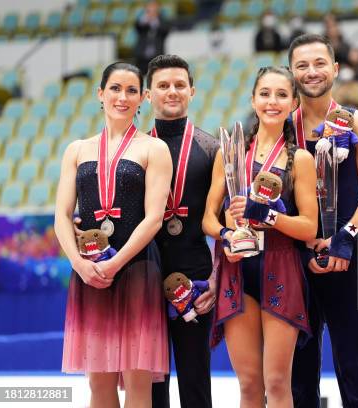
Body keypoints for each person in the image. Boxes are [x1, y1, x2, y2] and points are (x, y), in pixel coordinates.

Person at [55, 62, 172, 407]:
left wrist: (116, 263)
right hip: (91, 273)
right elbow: (61, 214)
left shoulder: (154, 149)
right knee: (99, 385)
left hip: (136, 269)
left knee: (138, 384)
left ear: (144, 98)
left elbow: (154, 218)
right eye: (115, 89)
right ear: (100, 94)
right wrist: (78, 264)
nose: (123, 97)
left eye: (132, 90)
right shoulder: (76, 150)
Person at [203, 66, 318, 407]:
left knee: (278, 381)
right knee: (250, 384)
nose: (272, 101)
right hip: (237, 268)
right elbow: (207, 218)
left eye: (282, 95)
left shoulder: (301, 159)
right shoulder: (231, 153)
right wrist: (227, 235)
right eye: (265, 94)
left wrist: (268, 215)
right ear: (253, 100)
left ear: (294, 103)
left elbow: (309, 227)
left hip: (281, 264)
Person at [287, 34, 358, 408]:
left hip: (348, 257)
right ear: (292, 72)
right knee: (298, 376)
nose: (312, 72)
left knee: (356, 373)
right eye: (302, 65)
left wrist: (346, 237)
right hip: (294, 261)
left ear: (336, 68)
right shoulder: (281, 127)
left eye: (319, 64)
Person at [145, 54, 219, 408]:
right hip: (143, 274)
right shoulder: (135, 151)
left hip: (196, 278)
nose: (171, 92)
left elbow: (226, 224)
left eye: (179, 85)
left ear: (192, 91)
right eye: (162, 85)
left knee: (195, 381)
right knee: (151, 383)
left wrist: (219, 277)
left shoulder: (212, 149)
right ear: (148, 95)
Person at [135, 1, 170, 75]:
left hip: (157, 55)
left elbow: (165, 30)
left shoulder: (162, 20)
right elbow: (138, 26)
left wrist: (154, 20)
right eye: (150, 7)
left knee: (157, 76)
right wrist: (147, 18)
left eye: (154, 7)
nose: (152, 9)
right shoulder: (143, 20)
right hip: (142, 56)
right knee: (140, 77)